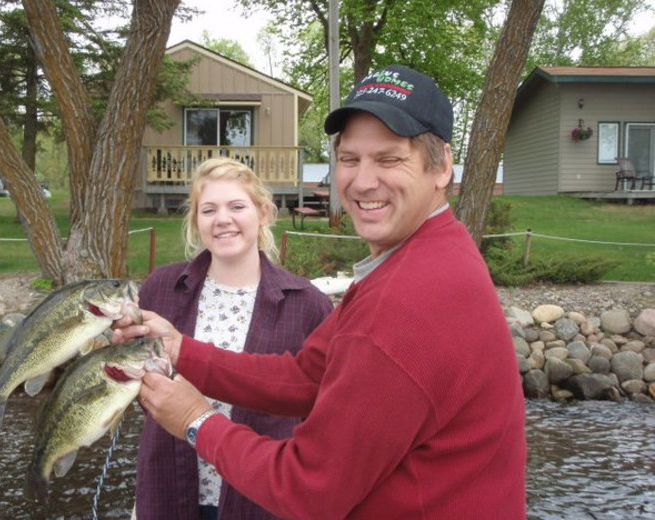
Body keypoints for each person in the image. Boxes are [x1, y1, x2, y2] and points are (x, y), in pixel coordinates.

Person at [115, 65, 527, 519]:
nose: (363, 181)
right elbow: (307, 378)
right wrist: (179, 349)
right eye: (349, 159)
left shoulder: (405, 300)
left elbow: (310, 489)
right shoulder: (428, 255)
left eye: (389, 159)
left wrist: (196, 422)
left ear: (442, 166)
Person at [131, 157, 333, 520]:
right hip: (171, 492)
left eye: (237, 206)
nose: (222, 219)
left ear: (264, 213)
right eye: (209, 210)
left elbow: (325, 414)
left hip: (262, 501)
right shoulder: (161, 288)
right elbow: (137, 387)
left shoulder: (308, 305)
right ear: (196, 221)